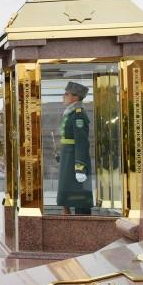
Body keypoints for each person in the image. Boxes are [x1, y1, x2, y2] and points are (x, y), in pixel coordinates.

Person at [57, 81, 93, 215]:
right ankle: (69, 218)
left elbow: (81, 143)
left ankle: (83, 223)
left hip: (75, 161)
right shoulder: (70, 113)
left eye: (66, 94)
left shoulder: (78, 115)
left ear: (75, 97)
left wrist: (80, 167)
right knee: (67, 193)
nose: (63, 96)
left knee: (80, 197)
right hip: (69, 159)